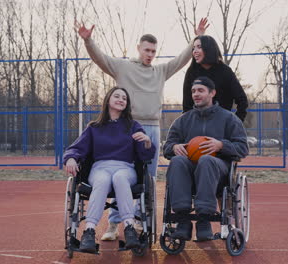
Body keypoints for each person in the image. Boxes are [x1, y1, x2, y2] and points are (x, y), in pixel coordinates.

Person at [74, 18, 210, 241]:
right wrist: (88, 41)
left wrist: (197, 37)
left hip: (152, 128)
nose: (150, 54)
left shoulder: (160, 71)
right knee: (120, 174)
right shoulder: (123, 67)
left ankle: (138, 220)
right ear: (138, 48)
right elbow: (100, 59)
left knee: (147, 177)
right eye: (147, 50)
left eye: (154, 51)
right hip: (128, 127)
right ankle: (113, 225)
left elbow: (181, 60)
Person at [63, 87, 155, 253]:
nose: (121, 100)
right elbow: (76, 148)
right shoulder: (94, 127)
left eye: (124, 98)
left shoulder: (133, 126)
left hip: (125, 169)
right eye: (117, 96)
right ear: (108, 100)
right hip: (100, 168)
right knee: (102, 180)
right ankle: (89, 232)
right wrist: (70, 158)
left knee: (119, 177)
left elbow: (145, 154)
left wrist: (148, 142)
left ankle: (129, 229)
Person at [163, 76, 248, 241]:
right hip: (189, 171)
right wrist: (173, 147)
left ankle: (204, 220)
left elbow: (243, 148)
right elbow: (167, 147)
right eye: (193, 91)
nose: (196, 94)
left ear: (212, 93)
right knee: (177, 160)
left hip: (218, 171)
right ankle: (183, 220)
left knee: (206, 160)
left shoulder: (229, 119)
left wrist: (221, 145)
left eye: (200, 90)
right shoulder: (183, 120)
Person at [182, 35, 248, 122]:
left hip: (221, 126)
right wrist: (189, 126)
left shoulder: (225, 71)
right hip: (198, 126)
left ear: (209, 49)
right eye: (193, 48)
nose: (195, 51)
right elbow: (186, 106)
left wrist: (235, 123)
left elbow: (242, 100)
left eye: (199, 47)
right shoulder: (191, 72)